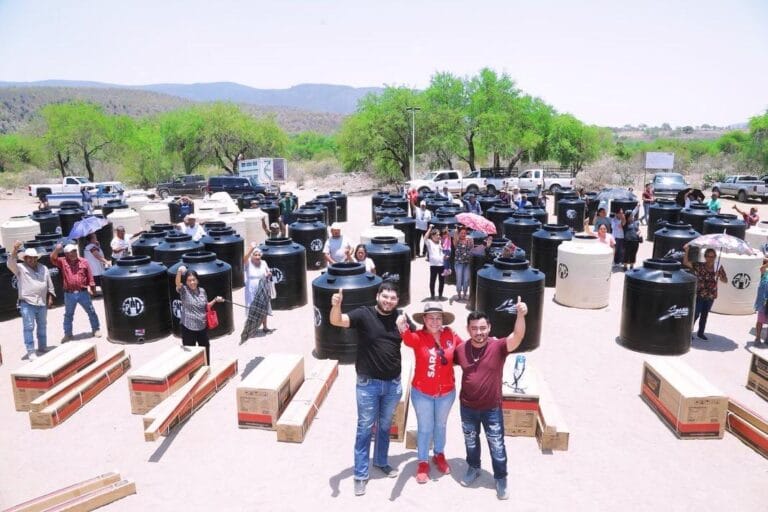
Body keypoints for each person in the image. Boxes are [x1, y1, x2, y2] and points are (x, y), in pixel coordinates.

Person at [330, 282, 404, 496]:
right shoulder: (364, 314)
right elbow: (337, 320)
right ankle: (361, 474)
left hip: (393, 384)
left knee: (384, 426)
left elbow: (416, 338)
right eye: (385, 296)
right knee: (364, 429)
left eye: (393, 298)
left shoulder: (400, 318)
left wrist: (406, 327)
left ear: (397, 301)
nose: (388, 301)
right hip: (368, 385)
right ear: (377, 295)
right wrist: (336, 305)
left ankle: (381, 461)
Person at [454, 302, 528, 500]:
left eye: (483, 328)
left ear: (489, 328)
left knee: (496, 444)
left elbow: (518, 336)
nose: (479, 332)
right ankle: (473, 467)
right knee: (470, 441)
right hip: (467, 406)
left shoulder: (498, 346)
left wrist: (521, 315)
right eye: (474, 328)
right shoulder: (461, 349)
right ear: (468, 329)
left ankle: (501, 478)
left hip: (491, 408)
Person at [396, 302, 460, 483]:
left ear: (443, 320)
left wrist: (490, 344)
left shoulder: (451, 335)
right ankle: (423, 461)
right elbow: (407, 337)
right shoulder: (417, 337)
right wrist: (401, 324)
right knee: (425, 428)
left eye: (438, 317)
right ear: (424, 319)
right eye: (430, 317)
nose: (434, 321)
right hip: (422, 393)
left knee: (440, 426)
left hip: (446, 393)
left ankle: (439, 454)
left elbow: (466, 350)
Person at [7, 242, 55, 360]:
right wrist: (15, 248)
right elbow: (10, 263)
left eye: (34, 258)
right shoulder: (20, 268)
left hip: (42, 301)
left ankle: (42, 347)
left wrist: (50, 296)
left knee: (42, 326)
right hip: (27, 302)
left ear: (36, 258)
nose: (32, 260)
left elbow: (49, 283)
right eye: (29, 258)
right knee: (29, 327)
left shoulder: (43, 268)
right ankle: (31, 351)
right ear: (25, 258)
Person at [51, 243, 101, 341]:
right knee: (68, 314)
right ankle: (68, 334)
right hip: (69, 294)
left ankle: (96, 329)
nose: (73, 254)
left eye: (74, 251)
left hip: (83, 292)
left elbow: (90, 276)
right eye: (71, 252)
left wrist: (93, 289)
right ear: (66, 254)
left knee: (91, 311)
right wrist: (57, 250)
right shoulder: (63, 262)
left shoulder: (84, 262)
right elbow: (52, 259)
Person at [175, 265, 224, 363]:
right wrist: (179, 272)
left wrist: (215, 300)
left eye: (194, 280)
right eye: (189, 280)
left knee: (205, 349)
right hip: (188, 327)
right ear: (186, 282)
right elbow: (177, 284)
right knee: (190, 353)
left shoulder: (202, 291)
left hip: (202, 326)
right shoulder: (184, 290)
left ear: (197, 280)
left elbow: (206, 306)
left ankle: (206, 367)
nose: (192, 282)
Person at [683, 245, 727, 340]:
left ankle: (700, 333)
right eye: (708, 256)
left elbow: (725, 280)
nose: (710, 258)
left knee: (704, 315)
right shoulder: (699, 266)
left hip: (711, 295)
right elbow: (686, 262)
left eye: (712, 256)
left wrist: (719, 275)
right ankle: (688, 332)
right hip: (699, 294)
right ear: (705, 256)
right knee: (695, 314)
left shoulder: (718, 267)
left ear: (715, 257)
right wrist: (687, 251)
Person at [241, 243, 273, 340]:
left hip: (263, 285)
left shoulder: (263, 263)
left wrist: (269, 274)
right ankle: (252, 329)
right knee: (252, 307)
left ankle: (265, 327)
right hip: (252, 286)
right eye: (255, 255)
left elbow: (267, 271)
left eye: (259, 255)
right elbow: (244, 259)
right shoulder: (248, 263)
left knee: (263, 306)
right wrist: (251, 249)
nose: (257, 256)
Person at [425, 227, 446, 300]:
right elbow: (425, 237)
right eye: (437, 235)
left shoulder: (441, 242)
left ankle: (440, 295)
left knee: (442, 281)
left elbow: (444, 251)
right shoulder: (430, 242)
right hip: (433, 266)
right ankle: (432, 295)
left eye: (439, 235)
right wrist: (430, 228)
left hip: (442, 265)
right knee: (432, 281)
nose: (438, 236)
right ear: (432, 236)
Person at [453, 226, 473, 302]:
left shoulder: (469, 240)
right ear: (459, 233)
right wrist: (455, 231)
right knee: (459, 279)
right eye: (461, 233)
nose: (463, 234)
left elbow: (472, 249)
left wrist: (471, 241)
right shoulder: (457, 241)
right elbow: (454, 239)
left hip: (467, 262)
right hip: (458, 263)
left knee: (466, 280)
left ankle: (464, 294)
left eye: (465, 233)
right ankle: (458, 294)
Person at [753, 257, 768, 346]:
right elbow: (761, 268)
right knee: (760, 321)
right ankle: (757, 337)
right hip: (763, 302)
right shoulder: (765, 273)